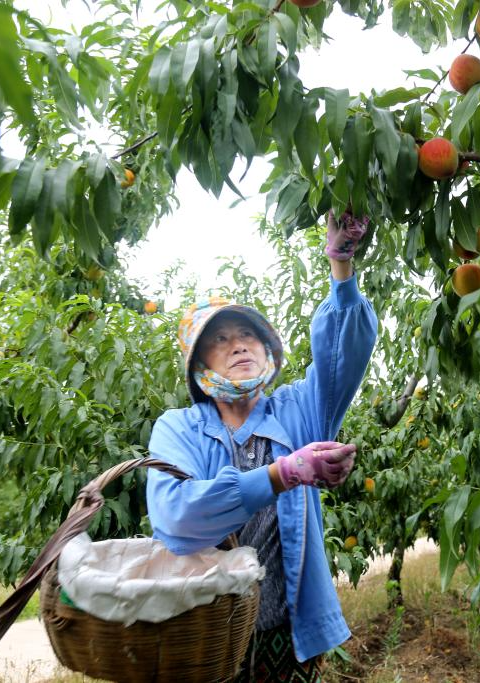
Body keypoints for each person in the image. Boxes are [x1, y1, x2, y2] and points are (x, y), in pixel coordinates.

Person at [145, 210, 376, 682]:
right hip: (203, 641)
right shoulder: (178, 429)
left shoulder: (297, 411)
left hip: (284, 639)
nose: (239, 345)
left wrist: (341, 262)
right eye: (221, 340)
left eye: (248, 334)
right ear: (198, 366)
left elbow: (342, 357)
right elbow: (177, 517)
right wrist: (283, 473)